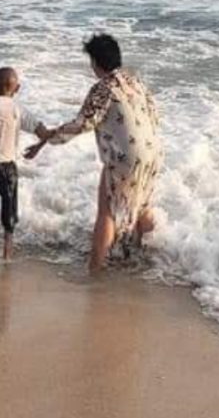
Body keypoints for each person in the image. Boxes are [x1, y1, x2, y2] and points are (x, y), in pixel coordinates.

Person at [26, 34, 162, 273]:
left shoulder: (103, 88)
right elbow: (154, 115)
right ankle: (145, 258)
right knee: (141, 205)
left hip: (126, 158)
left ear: (96, 63)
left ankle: (95, 269)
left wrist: (47, 139)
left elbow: (82, 123)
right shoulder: (136, 82)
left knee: (107, 212)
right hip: (153, 152)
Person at [0, 67, 49, 262]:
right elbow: (44, 132)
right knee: (9, 215)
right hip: (8, 169)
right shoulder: (19, 110)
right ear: (17, 88)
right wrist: (37, 148)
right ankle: (7, 257)